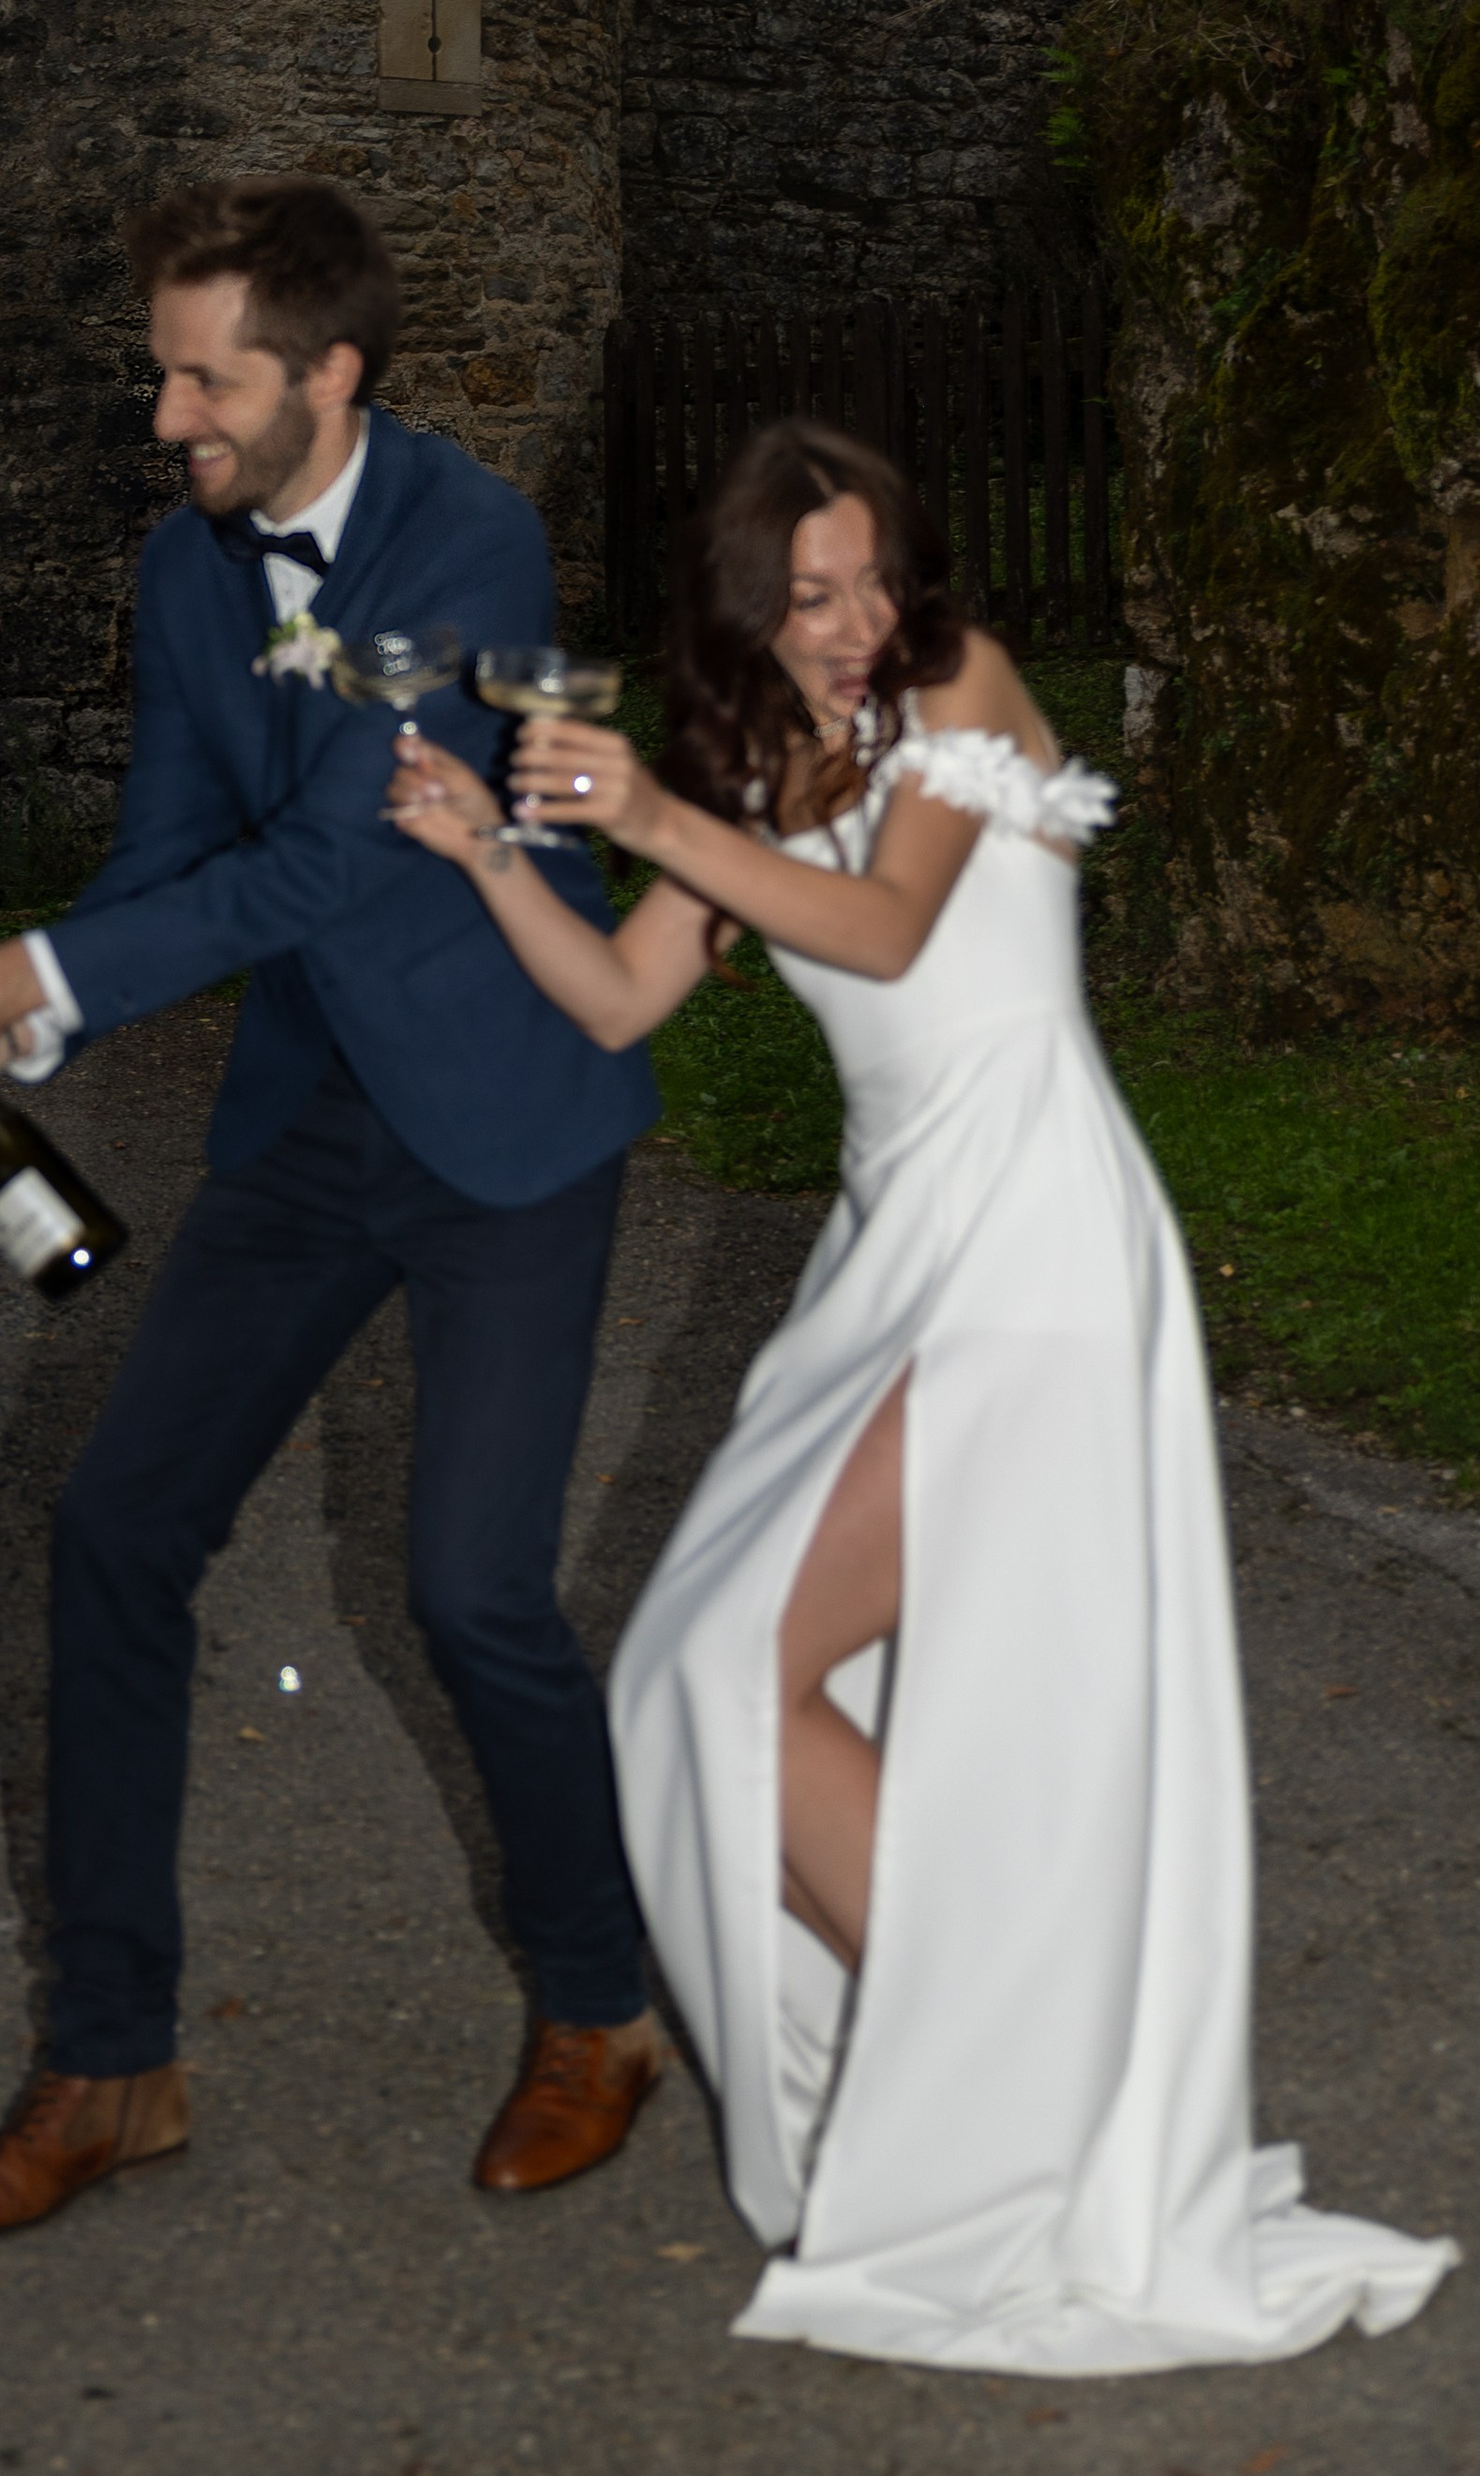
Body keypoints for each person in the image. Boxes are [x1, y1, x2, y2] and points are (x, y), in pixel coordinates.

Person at [388, 416, 1460, 2371]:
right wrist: (483, 854)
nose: (854, 621)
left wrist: (648, 816)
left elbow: (887, 929)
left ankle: (1024, 2091)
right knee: (685, 1680)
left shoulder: (960, 686)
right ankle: (1015, 2071)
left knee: (725, 1666)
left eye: (873, 577)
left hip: (1033, 1241)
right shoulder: (737, 767)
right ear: (742, 600)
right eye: (809, 592)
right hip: (889, 1256)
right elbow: (622, 1000)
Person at [0, 177, 670, 2236]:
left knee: (471, 1591)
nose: (168, 418)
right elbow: (172, 853)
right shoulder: (182, 568)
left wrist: (10, 970)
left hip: (503, 1115)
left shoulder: (469, 539)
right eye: (162, 376)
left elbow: (340, 857)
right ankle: (111, 2063)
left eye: (206, 381)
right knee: (114, 1529)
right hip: (305, 1126)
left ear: (329, 375)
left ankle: (600, 2008)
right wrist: (15, 1031)